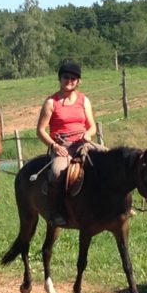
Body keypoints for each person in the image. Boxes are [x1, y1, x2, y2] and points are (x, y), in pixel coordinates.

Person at [36, 59, 99, 226]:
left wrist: (88, 134)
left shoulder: (84, 100)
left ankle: (117, 205)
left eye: (73, 78)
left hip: (83, 142)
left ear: (78, 81)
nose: (69, 81)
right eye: (65, 77)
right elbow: (40, 130)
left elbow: (92, 126)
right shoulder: (51, 103)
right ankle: (56, 211)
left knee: (110, 160)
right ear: (60, 79)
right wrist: (54, 146)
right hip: (62, 145)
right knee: (57, 172)